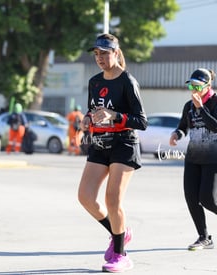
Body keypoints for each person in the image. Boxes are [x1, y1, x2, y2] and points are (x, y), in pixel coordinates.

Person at [77, 33, 147, 273]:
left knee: (112, 199)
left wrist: (115, 115)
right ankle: (120, 232)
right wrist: (87, 119)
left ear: (116, 53)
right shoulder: (95, 82)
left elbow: (142, 121)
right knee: (85, 197)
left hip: (124, 144)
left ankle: (120, 254)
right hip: (99, 143)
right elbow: (92, 109)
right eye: (96, 54)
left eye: (104, 53)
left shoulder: (128, 81)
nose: (100, 58)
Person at [169, 68, 217, 251]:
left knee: (207, 199)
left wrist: (201, 108)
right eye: (191, 85)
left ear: (208, 86)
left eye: (197, 86)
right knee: (191, 198)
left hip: (215, 158)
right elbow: (183, 127)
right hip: (193, 158)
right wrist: (177, 134)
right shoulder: (188, 106)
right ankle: (204, 237)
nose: (193, 89)